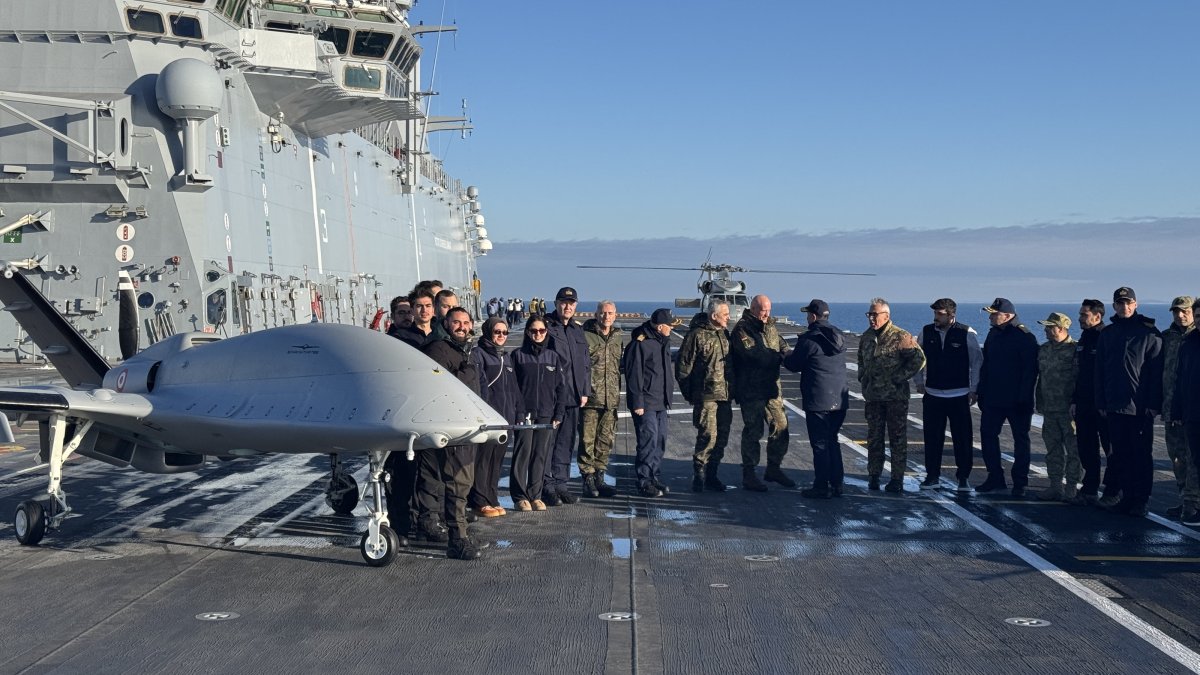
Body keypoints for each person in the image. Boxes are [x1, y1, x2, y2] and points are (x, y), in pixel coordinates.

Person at [421, 307, 484, 560]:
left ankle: (460, 533)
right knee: (456, 484)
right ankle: (456, 540)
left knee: (463, 484)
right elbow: (442, 386)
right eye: (456, 323)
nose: (462, 327)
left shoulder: (464, 349)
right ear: (446, 324)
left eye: (466, 323)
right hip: (451, 426)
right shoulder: (437, 349)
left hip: (467, 425)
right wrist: (466, 372)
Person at [1095, 286, 1163, 517]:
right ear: (1113, 306)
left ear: (1136, 304)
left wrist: (1154, 404)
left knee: (1141, 456)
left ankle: (1141, 500)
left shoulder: (1149, 334)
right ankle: (1126, 496)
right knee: (1120, 454)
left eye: (1128, 303)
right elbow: (1100, 371)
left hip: (1140, 407)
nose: (1125, 307)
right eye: (1120, 303)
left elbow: (1156, 372)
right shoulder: (1108, 334)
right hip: (1114, 405)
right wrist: (1101, 401)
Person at [914, 298, 982, 492]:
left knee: (962, 438)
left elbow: (977, 361)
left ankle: (963, 478)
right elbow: (918, 358)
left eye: (940, 314)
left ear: (952, 315)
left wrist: (974, 388)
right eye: (935, 313)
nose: (936, 317)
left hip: (959, 394)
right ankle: (932, 476)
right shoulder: (926, 332)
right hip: (933, 394)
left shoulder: (965, 333)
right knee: (932, 438)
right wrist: (918, 382)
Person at [783, 299, 849, 498]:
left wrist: (783, 353)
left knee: (820, 444)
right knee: (832, 441)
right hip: (839, 399)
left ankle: (821, 486)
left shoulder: (809, 339)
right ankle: (837, 484)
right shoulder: (838, 336)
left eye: (807, 315)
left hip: (818, 400)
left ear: (812, 316)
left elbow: (794, 365)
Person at [858, 297, 925, 493]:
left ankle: (897, 479)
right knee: (874, 438)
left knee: (897, 440)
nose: (871, 318)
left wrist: (899, 377)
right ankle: (874, 475)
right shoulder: (867, 337)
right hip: (873, 398)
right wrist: (863, 378)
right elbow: (861, 359)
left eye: (875, 315)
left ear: (886, 316)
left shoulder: (900, 336)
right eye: (869, 314)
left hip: (895, 398)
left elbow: (919, 359)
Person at [976, 298, 1038, 497]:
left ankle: (1020, 482)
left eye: (994, 313)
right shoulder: (994, 334)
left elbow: (1030, 371)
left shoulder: (1024, 337)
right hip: (994, 397)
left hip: (1017, 399)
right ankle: (995, 476)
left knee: (1020, 440)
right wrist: (981, 391)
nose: (991, 317)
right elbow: (987, 365)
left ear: (1008, 315)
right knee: (987, 435)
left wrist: (1024, 398)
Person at [730, 294, 792, 491]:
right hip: (752, 390)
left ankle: (773, 468)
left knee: (781, 426)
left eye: (769, 310)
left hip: (771, 389)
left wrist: (790, 355)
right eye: (763, 310)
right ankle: (749, 473)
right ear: (753, 309)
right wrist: (779, 357)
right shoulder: (742, 329)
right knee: (753, 431)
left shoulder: (771, 326)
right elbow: (755, 355)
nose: (766, 314)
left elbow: (783, 346)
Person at [676, 300, 734, 492]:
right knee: (707, 436)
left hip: (725, 396)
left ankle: (712, 474)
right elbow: (683, 367)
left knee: (722, 438)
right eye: (725, 314)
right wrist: (690, 394)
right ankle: (699, 474)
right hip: (706, 396)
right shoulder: (696, 335)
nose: (729, 317)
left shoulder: (725, 334)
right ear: (714, 316)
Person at [509, 317, 566, 511]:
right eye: (534, 331)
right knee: (522, 455)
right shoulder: (517, 356)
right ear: (527, 332)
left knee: (541, 455)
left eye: (542, 331)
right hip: (523, 413)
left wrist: (558, 413)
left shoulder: (553, 357)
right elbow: (512, 387)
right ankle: (519, 496)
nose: (538, 334)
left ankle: (535, 495)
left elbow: (561, 388)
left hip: (546, 414)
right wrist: (518, 411)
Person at [543, 286, 591, 505]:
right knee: (548, 443)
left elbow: (585, 364)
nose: (568, 306)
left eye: (572, 303)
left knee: (566, 442)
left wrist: (585, 391)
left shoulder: (576, 330)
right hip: (552, 396)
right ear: (556, 303)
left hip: (573, 396)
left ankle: (561, 484)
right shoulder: (545, 327)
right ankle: (547, 486)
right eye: (564, 302)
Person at [469, 317, 520, 518]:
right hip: (488, 419)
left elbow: (513, 388)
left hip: (505, 419)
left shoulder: (505, 358)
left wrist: (517, 412)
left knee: (496, 461)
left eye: (504, 333)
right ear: (488, 332)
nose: (501, 336)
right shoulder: (478, 355)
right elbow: (479, 387)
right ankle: (479, 500)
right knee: (483, 460)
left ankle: (492, 497)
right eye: (497, 332)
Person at [625, 308, 675, 497]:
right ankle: (644, 480)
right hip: (646, 402)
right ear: (661, 326)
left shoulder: (663, 341)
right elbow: (634, 374)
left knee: (660, 440)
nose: (671, 329)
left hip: (661, 401)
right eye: (669, 326)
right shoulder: (641, 344)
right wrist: (637, 402)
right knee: (648, 440)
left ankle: (654, 476)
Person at [1069, 298, 1112, 506]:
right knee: (1086, 447)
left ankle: (1113, 490)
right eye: (1080, 314)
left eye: (1084, 315)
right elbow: (1079, 373)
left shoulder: (1106, 337)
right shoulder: (1084, 338)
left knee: (1110, 448)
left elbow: (1109, 374)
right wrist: (1075, 400)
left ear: (1098, 316)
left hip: (1102, 404)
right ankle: (1090, 488)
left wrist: (1105, 402)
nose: (1080, 319)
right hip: (1084, 403)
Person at [1035, 312, 1081, 501]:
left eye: (1049, 327)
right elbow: (1041, 378)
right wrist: (1038, 401)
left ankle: (1071, 487)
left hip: (1068, 410)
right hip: (1049, 408)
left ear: (1061, 329)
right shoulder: (1044, 349)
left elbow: (1080, 380)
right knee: (1052, 449)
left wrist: (1076, 403)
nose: (1046, 330)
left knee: (1074, 451)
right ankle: (1055, 485)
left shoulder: (1075, 349)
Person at [579, 300, 622, 498]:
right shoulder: (585, 336)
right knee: (587, 441)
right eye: (603, 313)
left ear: (615, 315)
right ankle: (587, 478)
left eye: (610, 313)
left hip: (611, 399)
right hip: (591, 399)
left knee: (605, 441)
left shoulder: (617, 337)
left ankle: (600, 477)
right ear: (597, 314)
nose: (606, 316)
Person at [1162, 296, 1199, 521]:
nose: (1180, 315)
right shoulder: (1167, 338)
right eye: (1176, 311)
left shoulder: (1194, 339)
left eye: (1185, 311)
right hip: (1170, 407)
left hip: (1192, 409)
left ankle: (1192, 503)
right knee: (1177, 457)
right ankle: (1184, 497)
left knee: (1194, 456)